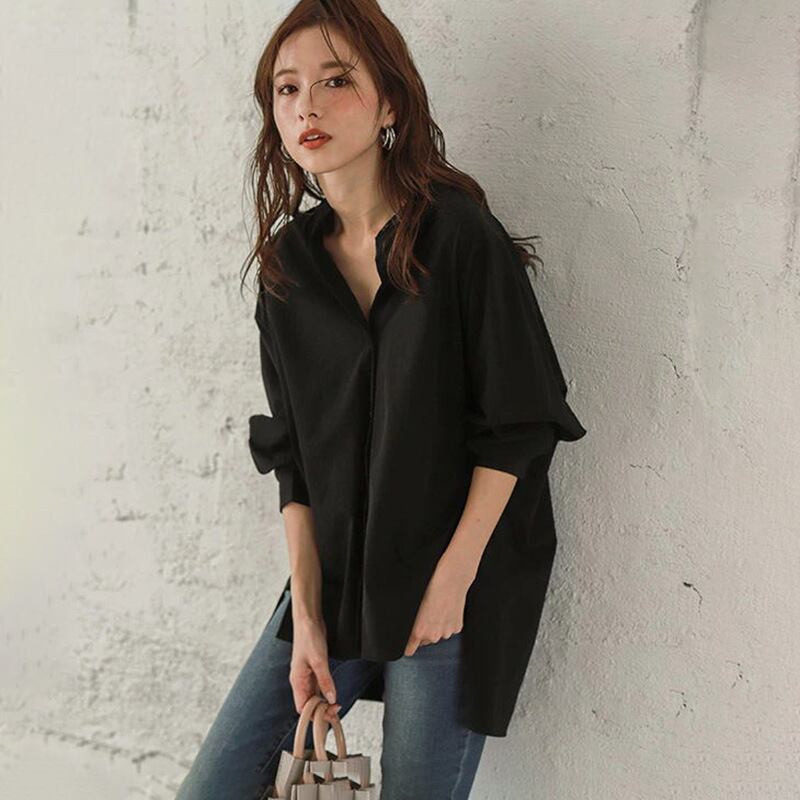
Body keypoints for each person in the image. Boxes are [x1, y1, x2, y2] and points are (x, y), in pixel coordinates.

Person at [175, 1, 586, 798]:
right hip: (334, 579)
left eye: (336, 81)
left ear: (390, 102)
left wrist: (452, 581)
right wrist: (306, 617)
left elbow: (519, 425)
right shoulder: (289, 268)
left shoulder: (460, 238)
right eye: (287, 88)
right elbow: (292, 458)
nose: (308, 106)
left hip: (453, 576)